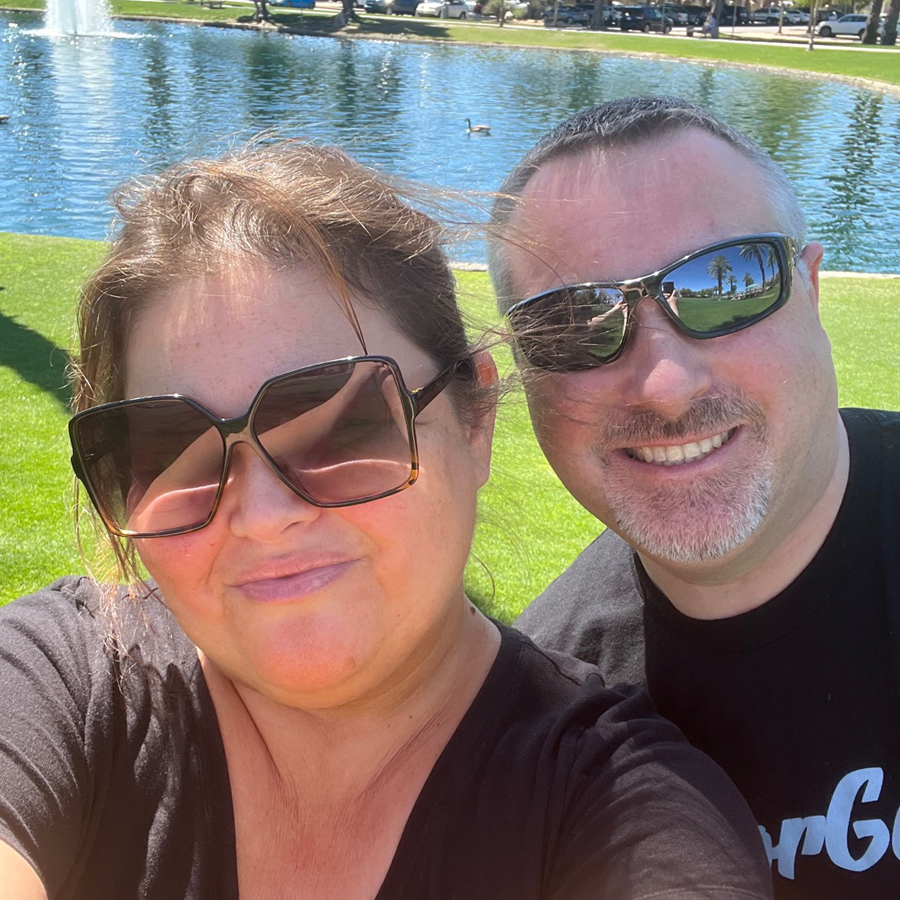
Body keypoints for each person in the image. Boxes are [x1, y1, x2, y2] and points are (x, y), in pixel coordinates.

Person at [0, 140, 772, 900]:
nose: (262, 517)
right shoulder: (62, 678)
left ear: (473, 423)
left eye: (343, 426)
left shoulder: (628, 817)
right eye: (171, 450)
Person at [488, 95, 900, 898]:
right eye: (576, 322)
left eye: (726, 283)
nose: (667, 384)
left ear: (810, 290)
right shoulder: (543, 723)